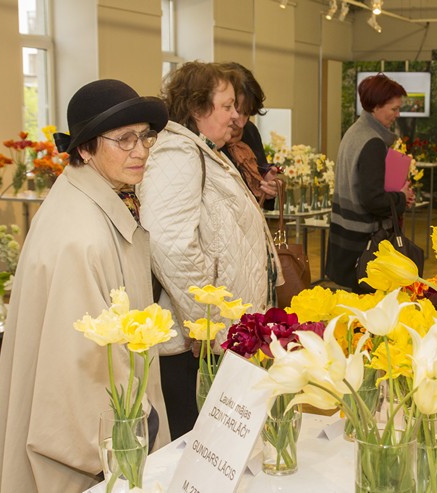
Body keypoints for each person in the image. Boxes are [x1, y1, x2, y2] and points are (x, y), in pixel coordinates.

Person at [0, 79, 171, 492]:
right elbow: (80, 380)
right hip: (89, 460)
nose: (140, 150)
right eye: (124, 139)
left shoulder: (93, 197)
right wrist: (133, 432)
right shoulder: (80, 235)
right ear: (85, 148)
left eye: (145, 136)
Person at [137, 62, 281, 439]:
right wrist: (208, 323)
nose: (237, 116)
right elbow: (170, 244)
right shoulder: (179, 154)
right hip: (196, 346)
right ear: (198, 107)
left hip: (213, 338)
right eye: (228, 106)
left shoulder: (202, 149)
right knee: (199, 444)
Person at [326, 73, 415, 292]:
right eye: (393, 109)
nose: (397, 114)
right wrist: (402, 197)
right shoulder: (373, 142)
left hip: (346, 241)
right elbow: (373, 199)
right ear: (376, 106)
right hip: (364, 246)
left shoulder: (354, 132)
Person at [219, 62, 278, 208]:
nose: (241, 123)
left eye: (247, 113)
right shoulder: (209, 138)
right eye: (236, 111)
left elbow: (262, 176)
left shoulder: (250, 132)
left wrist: (270, 189)